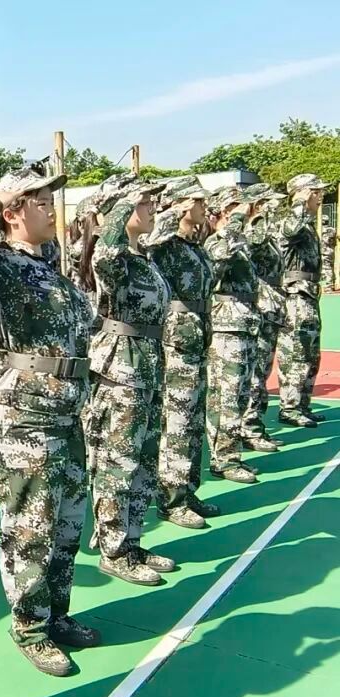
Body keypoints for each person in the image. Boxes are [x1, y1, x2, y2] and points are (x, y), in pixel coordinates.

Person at [0, 167, 97, 677]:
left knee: (67, 523)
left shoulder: (48, 263)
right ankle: (30, 626)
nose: (52, 209)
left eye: (51, 200)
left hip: (67, 410)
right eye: (40, 201)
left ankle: (57, 614)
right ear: (13, 212)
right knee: (30, 527)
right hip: (25, 415)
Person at [79, 173, 173, 586]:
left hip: (148, 361)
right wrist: (119, 206)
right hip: (121, 366)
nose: (152, 208)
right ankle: (114, 549)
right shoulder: (112, 258)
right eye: (143, 203)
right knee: (118, 462)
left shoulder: (142, 256)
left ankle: (132, 541)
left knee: (144, 459)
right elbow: (104, 252)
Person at [143, 177, 219, 529]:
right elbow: (147, 244)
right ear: (183, 204)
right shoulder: (164, 244)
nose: (204, 208)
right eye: (198, 202)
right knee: (177, 422)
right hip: (177, 342)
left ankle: (187, 490)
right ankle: (171, 499)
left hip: (197, 338)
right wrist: (171, 212)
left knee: (193, 421)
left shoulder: (193, 245)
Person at [203, 187, 261, 484]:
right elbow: (217, 261)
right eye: (237, 207)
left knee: (239, 394)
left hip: (244, 322)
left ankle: (231, 453)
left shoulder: (239, 239)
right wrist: (236, 220)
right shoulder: (217, 241)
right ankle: (223, 459)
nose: (246, 211)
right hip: (226, 326)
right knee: (226, 396)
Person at [241, 184, 290, 453]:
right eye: (269, 203)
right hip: (259, 306)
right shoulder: (252, 232)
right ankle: (249, 428)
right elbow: (255, 244)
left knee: (262, 371)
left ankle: (256, 425)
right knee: (255, 374)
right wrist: (259, 217)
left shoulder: (267, 233)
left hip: (271, 306)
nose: (275, 207)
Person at [277, 173, 328, 427]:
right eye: (315, 192)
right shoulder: (292, 220)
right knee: (296, 351)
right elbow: (289, 232)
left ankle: (302, 404)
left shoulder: (307, 224)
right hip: (295, 295)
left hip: (308, 293)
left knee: (310, 353)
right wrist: (299, 201)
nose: (320, 197)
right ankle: (289, 406)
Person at [321, 217, 335, 293]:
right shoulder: (332, 229)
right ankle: (330, 284)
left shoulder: (321, 229)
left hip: (323, 251)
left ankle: (328, 287)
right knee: (329, 268)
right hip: (330, 251)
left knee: (327, 268)